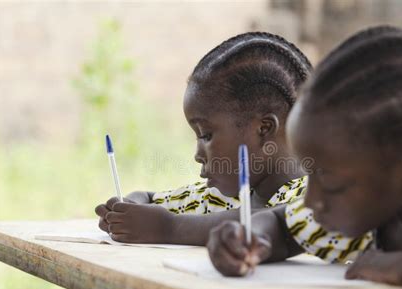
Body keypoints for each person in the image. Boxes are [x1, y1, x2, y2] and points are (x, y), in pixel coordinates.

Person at [207, 26, 402, 289]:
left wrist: (399, 267)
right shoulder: (374, 214)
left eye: (329, 182)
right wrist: (248, 241)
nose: (311, 201)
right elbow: (282, 227)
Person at [95, 32, 312, 245]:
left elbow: (267, 221)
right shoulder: (220, 198)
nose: (198, 156)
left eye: (206, 135)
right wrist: (129, 208)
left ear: (263, 129)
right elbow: (151, 199)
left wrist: (168, 228)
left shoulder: (315, 197)